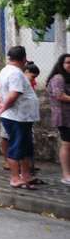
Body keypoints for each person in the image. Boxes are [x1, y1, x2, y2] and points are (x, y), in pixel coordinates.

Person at [0, 46, 39, 189]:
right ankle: (15, 178)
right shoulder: (15, 73)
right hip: (16, 116)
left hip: (22, 117)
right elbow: (14, 93)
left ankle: (26, 175)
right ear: (23, 59)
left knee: (26, 147)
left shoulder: (6, 70)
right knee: (16, 146)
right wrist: (4, 106)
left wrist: (3, 105)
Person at [46, 53, 70, 185]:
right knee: (67, 144)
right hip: (63, 117)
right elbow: (59, 95)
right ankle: (66, 175)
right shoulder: (58, 78)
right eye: (68, 62)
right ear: (61, 64)